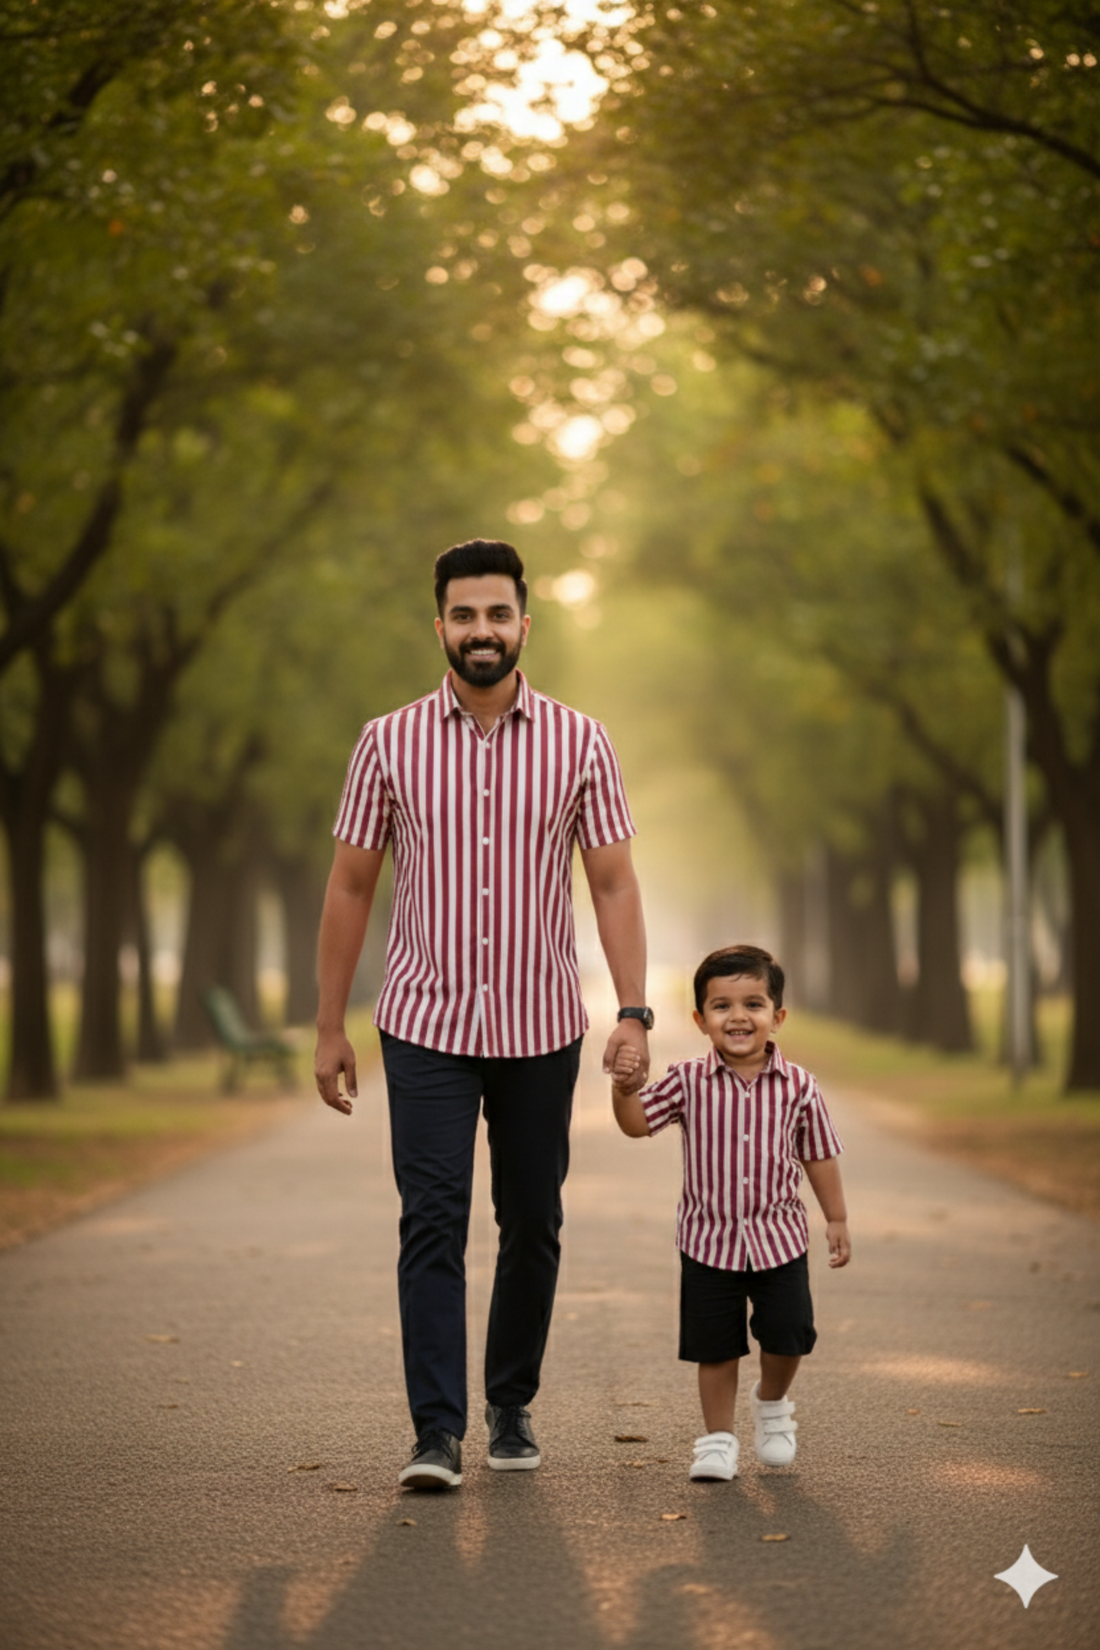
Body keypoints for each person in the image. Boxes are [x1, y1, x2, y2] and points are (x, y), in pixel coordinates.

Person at [314, 539, 651, 1491]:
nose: (481, 632)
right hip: (423, 1022)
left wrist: (633, 1010)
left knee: (533, 1220)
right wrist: (330, 1023)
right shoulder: (387, 743)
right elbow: (348, 885)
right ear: (440, 629)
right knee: (432, 1219)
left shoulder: (582, 742)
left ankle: (510, 1403)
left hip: (544, 1023)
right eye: (463, 616)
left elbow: (615, 884)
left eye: (497, 614)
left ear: (523, 625)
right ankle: (435, 1431)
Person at [611, 943, 850, 1482]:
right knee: (715, 1349)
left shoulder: (800, 1087)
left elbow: (819, 1154)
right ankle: (717, 1440)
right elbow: (635, 1123)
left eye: (753, 1004)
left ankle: (772, 1403)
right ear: (700, 1019)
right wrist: (624, 1089)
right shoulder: (687, 1080)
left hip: (779, 1240)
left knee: (788, 1335)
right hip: (708, 1242)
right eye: (721, 1006)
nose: (738, 1016)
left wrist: (835, 1218)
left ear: (777, 1016)